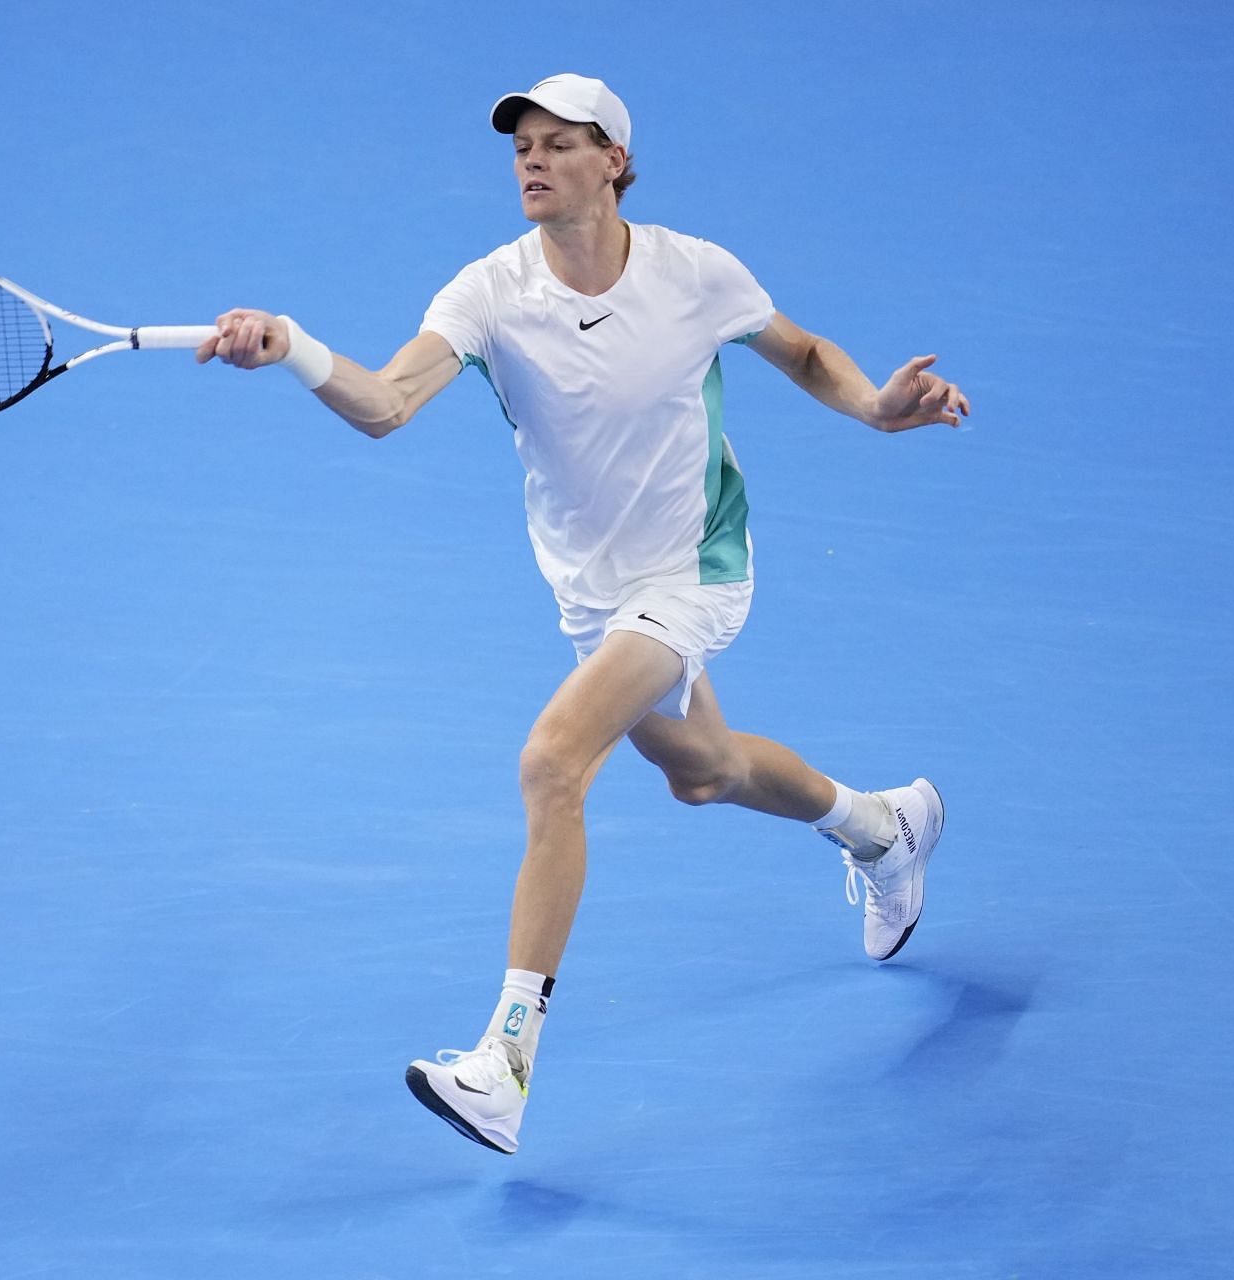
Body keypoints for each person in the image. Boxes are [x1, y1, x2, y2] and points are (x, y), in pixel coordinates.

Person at [195, 73, 969, 1155]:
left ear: (615, 162)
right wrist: (294, 346)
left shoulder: (695, 272)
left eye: (560, 143)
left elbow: (798, 351)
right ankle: (885, 826)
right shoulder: (488, 290)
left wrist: (878, 407)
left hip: (695, 568)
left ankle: (502, 1063)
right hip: (594, 593)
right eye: (522, 145)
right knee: (704, 773)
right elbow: (387, 403)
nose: (532, 159)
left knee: (553, 762)